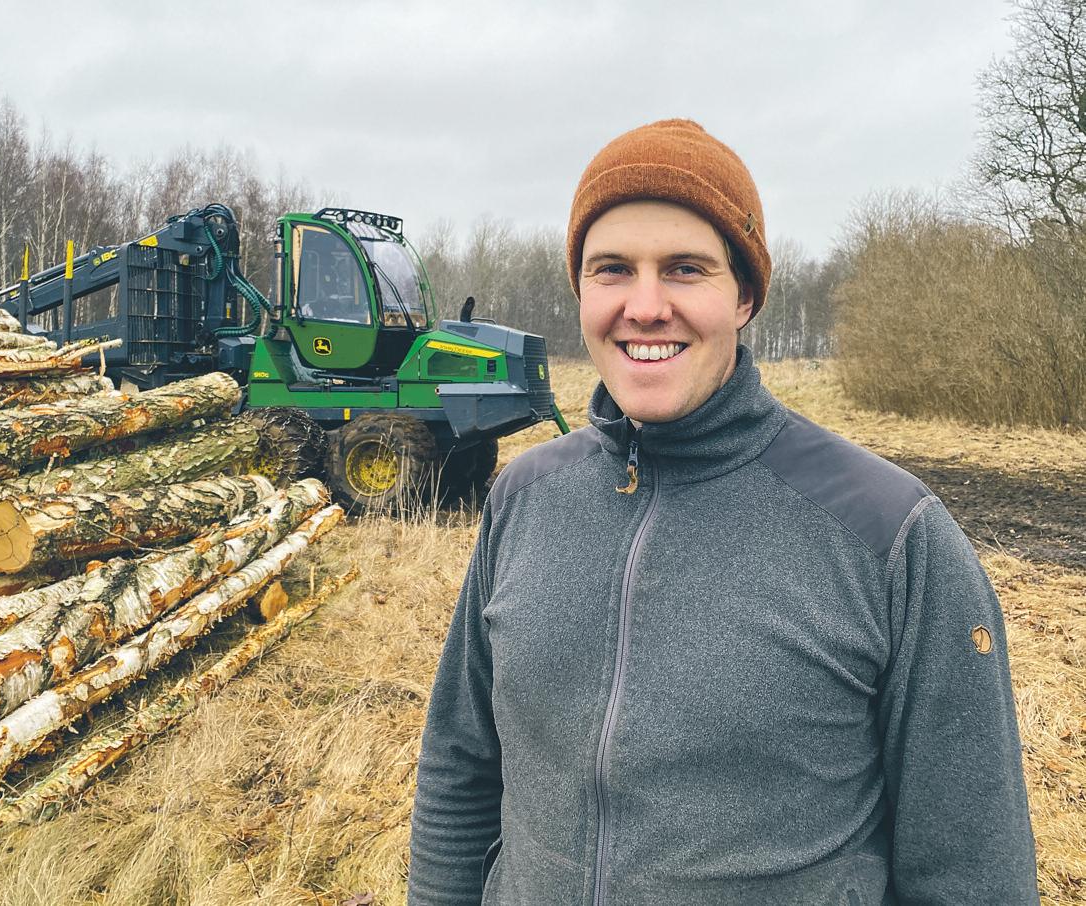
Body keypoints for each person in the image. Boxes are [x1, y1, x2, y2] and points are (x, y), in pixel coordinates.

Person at [407, 118, 1038, 906]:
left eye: (684, 269)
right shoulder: (524, 497)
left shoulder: (889, 533)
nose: (644, 306)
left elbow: (972, 868)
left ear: (742, 296)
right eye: (612, 269)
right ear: (580, 292)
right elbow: (460, 769)